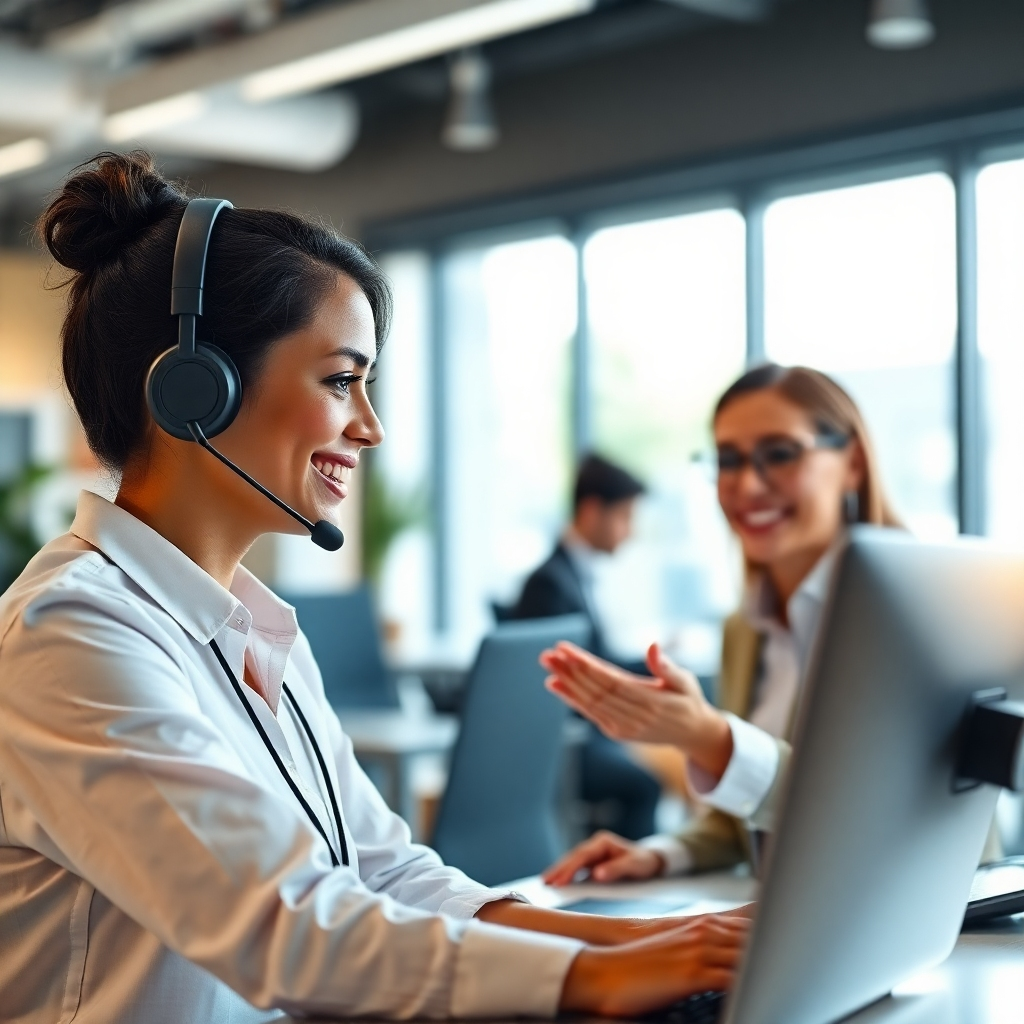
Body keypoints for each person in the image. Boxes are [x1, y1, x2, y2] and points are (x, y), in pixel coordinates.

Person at [0, 152, 749, 1023]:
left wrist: (657, 943)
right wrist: (597, 981)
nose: (372, 426)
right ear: (194, 390)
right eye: (340, 380)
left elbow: (384, 872)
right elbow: (281, 925)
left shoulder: (255, 631)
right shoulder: (71, 634)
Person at [542, 364, 903, 885]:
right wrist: (663, 854)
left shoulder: (904, 616)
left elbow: (877, 824)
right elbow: (739, 823)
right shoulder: (746, 628)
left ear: (853, 463)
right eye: (728, 460)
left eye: (779, 453)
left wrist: (712, 738)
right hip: (783, 918)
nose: (747, 485)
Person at [512, 454, 661, 840]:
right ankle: (628, 884)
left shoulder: (571, 574)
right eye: (625, 517)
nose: (630, 532)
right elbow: (578, 673)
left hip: (581, 733)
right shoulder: (551, 583)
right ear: (593, 511)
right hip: (563, 745)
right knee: (646, 784)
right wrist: (653, 667)